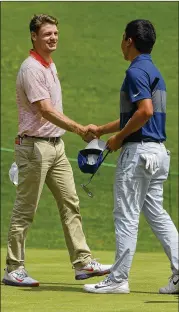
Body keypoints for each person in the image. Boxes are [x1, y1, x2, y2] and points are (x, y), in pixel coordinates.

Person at [2, 14, 111, 287]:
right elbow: (45, 110)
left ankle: (83, 263)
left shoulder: (48, 64)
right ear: (34, 36)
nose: (53, 38)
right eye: (47, 34)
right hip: (34, 147)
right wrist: (78, 129)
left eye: (55, 34)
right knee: (26, 209)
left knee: (70, 203)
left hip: (56, 147)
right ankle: (14, 268)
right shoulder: (31, 69)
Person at [84, 19, 179, 294]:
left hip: (138, 154)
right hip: (159, 154)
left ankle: (117, 280)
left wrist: (118, 139)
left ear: (128, 40)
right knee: (158, 215)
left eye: (122, 38)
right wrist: (102, 130)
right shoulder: (153, 70)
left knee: (125, 215)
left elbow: (145, 112)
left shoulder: (135, 71)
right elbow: (137, 115)